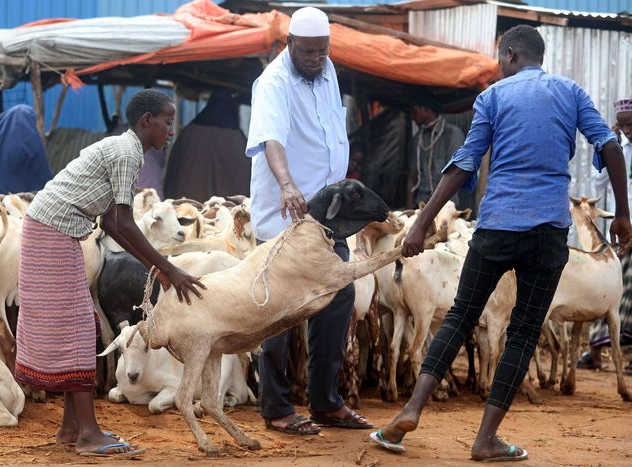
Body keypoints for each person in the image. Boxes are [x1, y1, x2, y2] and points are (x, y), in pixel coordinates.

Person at [369, 25, 632, 462]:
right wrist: (623, 213)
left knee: (459, 317)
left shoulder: (493, 97)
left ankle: (411, 410)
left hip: (496, 226)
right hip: (548, 230)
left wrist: (421, 224)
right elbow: (609, 145)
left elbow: (462, 165)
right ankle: (486, 438)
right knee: (524, 333)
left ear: (509, 54)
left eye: (498, 59)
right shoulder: (572, 93)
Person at [15, 89, 206, 457]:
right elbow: (124, 223)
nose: (172, 130)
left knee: (82, 323)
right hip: (52, 231)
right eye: (168, 122)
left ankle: (72, 427)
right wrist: (169, 268)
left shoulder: (127, 150)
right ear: (146, 121)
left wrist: (159, 268)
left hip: (54, 229)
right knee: (78, 327)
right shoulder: (127, 152)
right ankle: (88, 432)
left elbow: (112, 224)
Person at [245, 7, 371, 435]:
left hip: (327, 217)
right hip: (286, 215)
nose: (317, 58)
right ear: (289, 45)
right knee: (277, 312)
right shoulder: (273, 82)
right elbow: (271, 138)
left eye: (323, 50)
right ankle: (277, 408)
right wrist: (286, 184)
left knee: (338, 297)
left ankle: (325, 401)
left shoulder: (327, 70)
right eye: (309, 52)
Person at [579, 98, 632, 374]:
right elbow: (597, 181)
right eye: (622, 126)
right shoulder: (618, 147)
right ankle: (595, 351)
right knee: (607, 289)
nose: (627, 130)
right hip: (620, 230)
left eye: (630, 125)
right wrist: (607, 147)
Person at [163, 88, 250, 201]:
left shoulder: (188, 134)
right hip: (226, 212)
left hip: (186, 207)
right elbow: (247, 181)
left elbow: (171, 175)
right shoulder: (238, 140)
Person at [405, 96, 465, 208]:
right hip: (421, 204)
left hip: (445, 205)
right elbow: (412, 176)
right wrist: (409, 208)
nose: (412, 116)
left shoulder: (452, 134)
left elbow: (456, 173)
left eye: (414, 111)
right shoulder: (418, 139)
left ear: (426, 110)